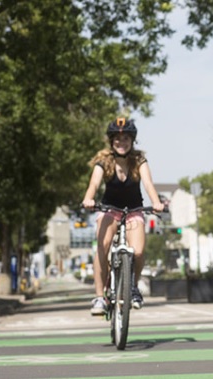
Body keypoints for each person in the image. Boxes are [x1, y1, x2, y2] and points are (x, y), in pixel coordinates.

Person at [82, 117, 164, 315]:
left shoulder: (139, 160)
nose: (122, 142)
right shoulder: (103, 161)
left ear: (132, 140)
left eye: (126, 138)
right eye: (117, 139)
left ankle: (133, 288)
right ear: (111, 141)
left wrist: (156, 203)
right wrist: (88, 199)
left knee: (138, 252)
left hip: (134, 211)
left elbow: (148, 184)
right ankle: (100, 297)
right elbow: (94, 184)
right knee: (103, 247)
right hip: (109, 209)